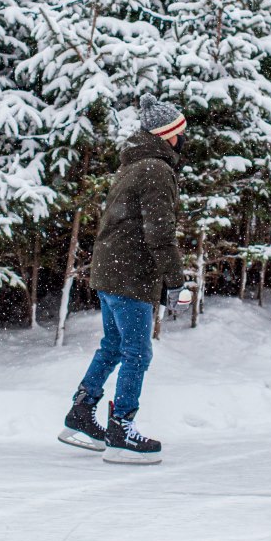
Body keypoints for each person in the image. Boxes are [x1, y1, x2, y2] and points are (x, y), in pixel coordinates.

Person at [57, 94, 188, 464]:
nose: (183, 140)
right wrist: (175, 280)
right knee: (137, 352)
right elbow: (159, 232)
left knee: (114, 346)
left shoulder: (135, 165)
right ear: (169, 136)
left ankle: (81, 412)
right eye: (180, 133)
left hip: (110, 269)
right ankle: (121, 429)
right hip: (129, 274)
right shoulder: (156, 170)